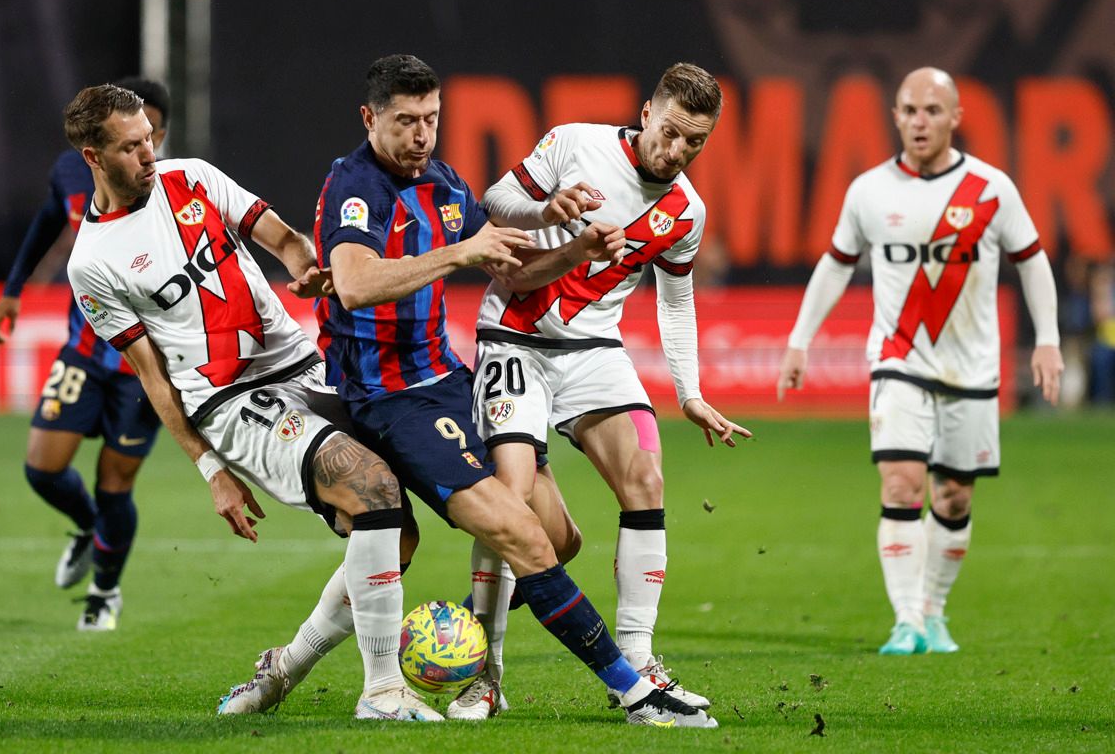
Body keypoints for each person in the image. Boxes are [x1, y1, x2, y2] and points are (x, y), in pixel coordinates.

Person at [270, 53, 715, 728]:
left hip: (449, 378)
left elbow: (512, 257)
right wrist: (472, 247)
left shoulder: (447, 185)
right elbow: (358, 284)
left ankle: (287, 664)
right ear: (371, 118)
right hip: (390, 394)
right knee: (519, 534)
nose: (422, 134)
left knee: (557, 539)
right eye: (406, 121)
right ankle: (626, 689)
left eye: (432, 119)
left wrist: (569, 247)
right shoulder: (354, 184)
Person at [62, 83, 443, 722]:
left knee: (393, 534)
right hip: (230, 398)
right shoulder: (92, 263)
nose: (149, 154)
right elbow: (155, 379)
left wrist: (306, 265)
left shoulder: (195, 178)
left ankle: (284, 669)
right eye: (130, 147)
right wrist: (213, 472)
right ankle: (381, 692)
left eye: (150, 138)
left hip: (300, 363)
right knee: (372, 486)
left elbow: (285, 239)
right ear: (93, 158)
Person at [475, 62, 751, 710]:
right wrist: (548, 207)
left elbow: (676, 302)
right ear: (649, 110)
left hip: (594, 346)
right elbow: (494, 200)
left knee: (647, 481)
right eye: (673, 132)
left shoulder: (686, 212)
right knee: (513, 502)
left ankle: (636, 663)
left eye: (696, 143)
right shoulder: (578, 144)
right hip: (514, 334)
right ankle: (485, 674)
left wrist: (690, 393)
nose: (678, 151)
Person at [776, 67, 1064, 655]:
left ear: (956, 117)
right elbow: (836, 263)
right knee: (903, 484)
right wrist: (800, 338)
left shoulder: (990, 189)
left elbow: (1032, 260)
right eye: (909, 110)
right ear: (896, 117)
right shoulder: (870, 191)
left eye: (932, 110)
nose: (919, 121)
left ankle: (933, 613)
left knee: (954, 496)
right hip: (898, 359)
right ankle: (906, 620)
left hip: (972, 369)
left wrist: (1048, 338)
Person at [0, 77, 170, 631]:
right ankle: (92, 531)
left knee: (116, 485)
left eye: (155, 135)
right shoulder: (71, 175)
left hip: (143, 370)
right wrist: (14, 289)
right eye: (136, 135)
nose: (148, 149)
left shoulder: (172, 192)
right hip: (85, 352)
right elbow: (50, 218)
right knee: (42, 470)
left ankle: (104, 592)